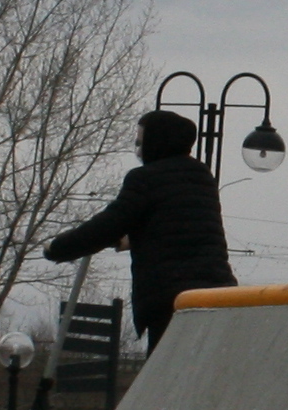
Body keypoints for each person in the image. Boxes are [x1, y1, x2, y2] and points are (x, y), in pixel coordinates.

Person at [42, 110, 237, 350]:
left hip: (171, 299)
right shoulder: (201, 176)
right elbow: (179, 228)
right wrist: (133, 240)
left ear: (156, 141)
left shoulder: (145, 179)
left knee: (165, 379)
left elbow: (108, 226)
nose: (139, 149)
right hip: (216, 295)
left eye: (140, 142)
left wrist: (58, 248)